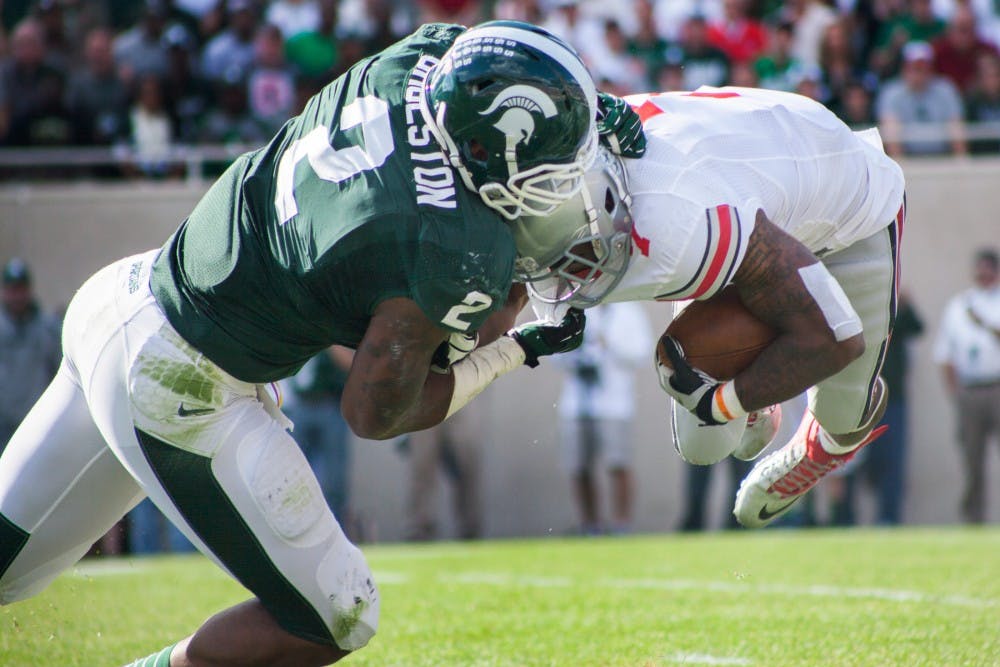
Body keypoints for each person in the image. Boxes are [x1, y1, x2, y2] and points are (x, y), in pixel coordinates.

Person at [0, 20, 615, 666]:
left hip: (123, 294)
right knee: (337, 615)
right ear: (487, 152)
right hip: (179, 383)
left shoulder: (422, 57)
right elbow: (376, 413)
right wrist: (512, 345)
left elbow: (499, 61)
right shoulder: (451, 249)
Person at [512, 84, 906, 529]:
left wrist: (724, 402)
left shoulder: (677, 225)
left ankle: (814, 447)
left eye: (572, 251)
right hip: (744, 186)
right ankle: (760, 381)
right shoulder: (576, 166)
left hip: (848, 203)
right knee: (704, 447)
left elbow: (836, 338)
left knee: (843, 415)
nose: (561, 274)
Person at [552, 301, 651, 535]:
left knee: (618, 464)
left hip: (614, 404)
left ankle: (621, 524)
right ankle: (590, 525)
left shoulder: (630, 310)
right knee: (579, 465)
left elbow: (642, 352)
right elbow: (555, 355)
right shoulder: (576, 311)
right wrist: (576, 354)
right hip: (576, 403)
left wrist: (609, 344)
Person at [834, 291, 924, 526]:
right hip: (858, 400)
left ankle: (888, 517)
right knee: (850, 460)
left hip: (892, 400)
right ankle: (845, 518)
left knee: (891, 460)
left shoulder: (895, 313)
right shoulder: (854, 313)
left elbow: (917, 327)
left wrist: (903, 303)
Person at [933, 247, 1000, 524]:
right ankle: (974, 520)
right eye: (979, 268)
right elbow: (945, 354)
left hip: (997, 386)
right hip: (970, 390)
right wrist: (954, 392)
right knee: (972, 459)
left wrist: (984, 323)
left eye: (988, 268)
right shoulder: (959, 306)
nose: (982, 274)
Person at [0, 258, 61, 451]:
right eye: (12, 289)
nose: (17, 296)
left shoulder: (47, 330)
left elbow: (58, 375)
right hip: (3, 429)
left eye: (21, 289)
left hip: (36, 427)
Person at [405, 399, 485, 541]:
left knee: (467, 460)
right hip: (423, 394)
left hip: (462, 391)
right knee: (422, 465)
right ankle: (420, 527)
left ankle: (469, 526)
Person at [876, 40, 967, 157]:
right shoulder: (891, 93)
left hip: (942, 158)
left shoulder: (946, 90)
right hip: (908, 160)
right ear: (905, 68)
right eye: (915, 67)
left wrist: (961, 167)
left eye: (923, 67)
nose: (919, 73)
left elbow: (956, 129)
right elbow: (892, 137)